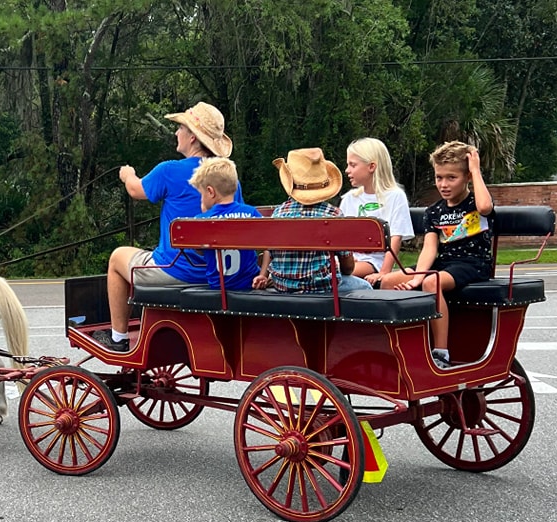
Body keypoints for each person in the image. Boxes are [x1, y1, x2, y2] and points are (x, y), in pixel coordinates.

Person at [94, 101, 238, 352]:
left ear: (192, 137)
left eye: (180, 127)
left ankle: (117, 338)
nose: (176, 133)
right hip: (220, 273)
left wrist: (128, 174)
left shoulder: (170, 171)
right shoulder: (228, 177)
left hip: (179, 271)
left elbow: (135, 190)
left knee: (117, 258)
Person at [379, 141, 495, 369]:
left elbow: (484, 207)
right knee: (388, 281)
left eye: (452, 178)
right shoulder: (434, 212)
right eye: (439, 177)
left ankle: (441, 352)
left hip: (473, 264)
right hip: (442, 264)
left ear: (467, 178)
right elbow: (430, 249)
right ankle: (402, 344)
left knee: (433, 281)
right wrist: (416, 278)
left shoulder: (476, 203)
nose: (443, 184)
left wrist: (475, 169)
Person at [252, 147, 372, 294]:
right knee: (365, 287)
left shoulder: (279, 213)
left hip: (282, 287)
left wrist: (264, 275)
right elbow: (348, 268)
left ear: (290, 182)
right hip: (321, 288)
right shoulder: (333, 215)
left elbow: (269, 251)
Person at [340, 137, 415, 285]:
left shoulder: (395, 196)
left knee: (333, 272)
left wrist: (384, 272)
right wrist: (346, 258)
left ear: (371, 167)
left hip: (373, 261)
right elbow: (341, 236)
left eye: (352, 165)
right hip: (349, 260)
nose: (347, 170)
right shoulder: (349, 198)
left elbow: (395, 238)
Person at [187, 157, 262, 290]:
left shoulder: (201, 220)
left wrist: (205, 212)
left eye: (201, 194)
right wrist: (263, 274)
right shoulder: (251, 213)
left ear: (210, 192)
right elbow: (268, 246)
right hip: (249, 284)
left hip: (219, 288)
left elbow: (199, 251)